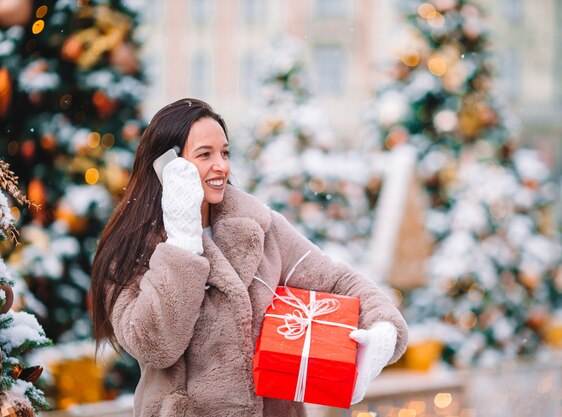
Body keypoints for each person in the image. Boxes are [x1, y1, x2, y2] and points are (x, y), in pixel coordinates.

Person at [90, 98, 408, 417]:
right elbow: (155, 345)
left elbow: (336, 279)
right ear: (167, 164)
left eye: (225, 153)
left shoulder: (259, 227)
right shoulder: (131, 250)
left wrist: (383, 326)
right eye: (205, 154)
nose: (222, 166)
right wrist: (182, 243)